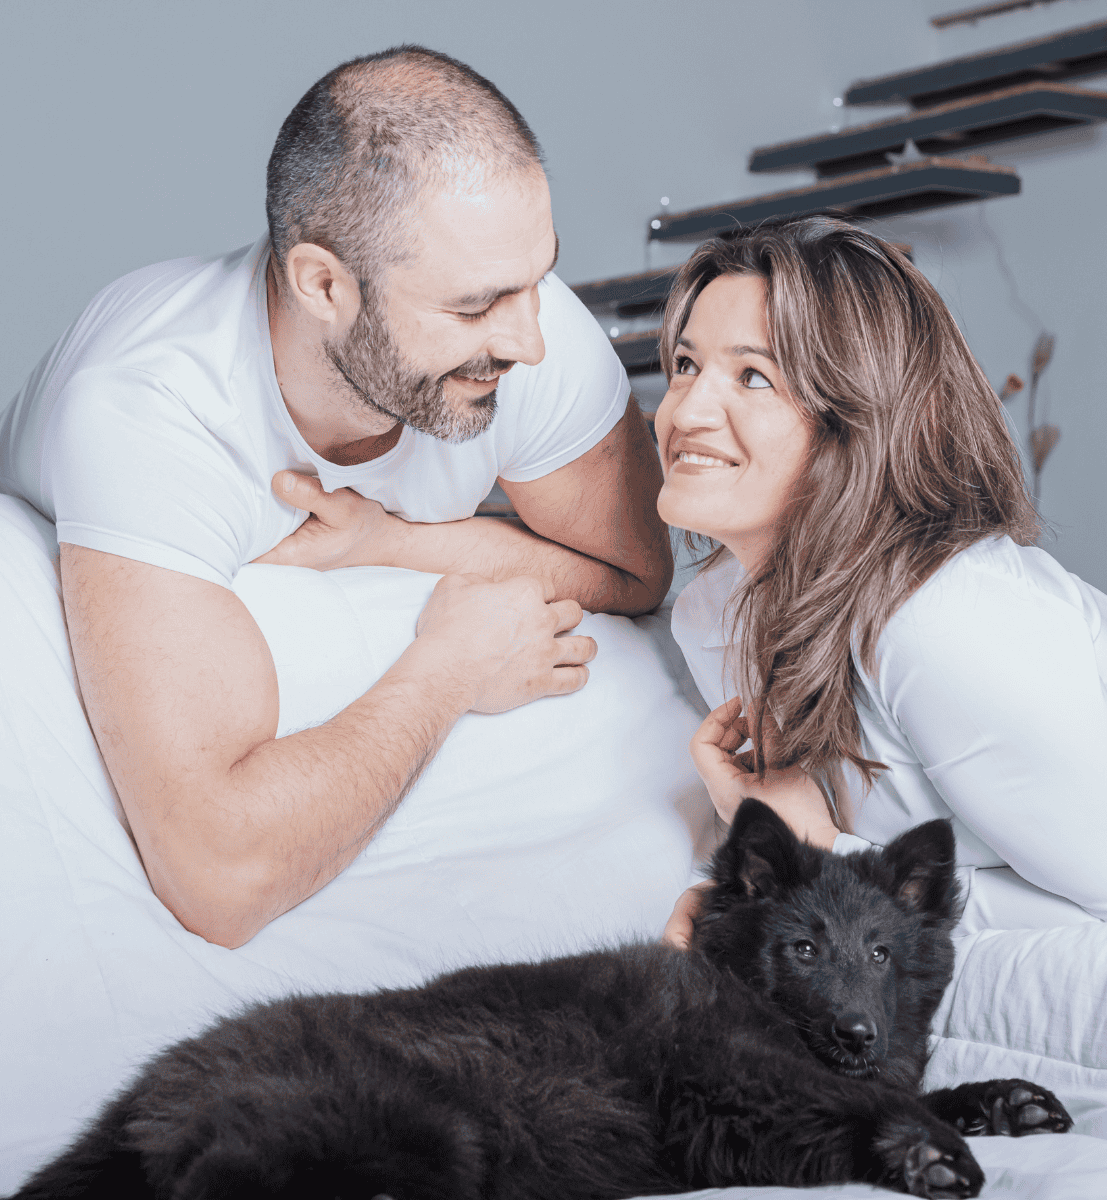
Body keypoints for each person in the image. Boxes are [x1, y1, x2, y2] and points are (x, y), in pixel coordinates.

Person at [0, 45, 672, 949]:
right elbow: (218, 876)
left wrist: (393, 543)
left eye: (538, 277)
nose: (530, 342)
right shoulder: (150, 414)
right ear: (324, 284)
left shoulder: (525, 334)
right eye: (475, 307)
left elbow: (636, 573)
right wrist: (448, 672)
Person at [657, 216, 1107, 945]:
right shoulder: (712, 616)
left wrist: (818, 867)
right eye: (685, 365)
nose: (685, 410)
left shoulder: (946, 617)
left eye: (753, 375)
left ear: (858, 417)